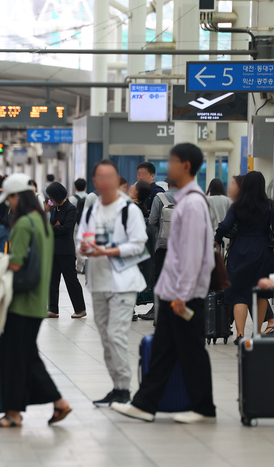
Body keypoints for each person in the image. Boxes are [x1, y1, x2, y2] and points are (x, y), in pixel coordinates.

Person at [112, 143, 217, 425]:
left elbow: (192, 254)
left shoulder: (193, 203)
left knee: (190, 350)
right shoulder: (187, 199)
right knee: (163, 351)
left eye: (171, 162)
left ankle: (203, 407)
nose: (167, 167)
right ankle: (146, 404)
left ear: (185, 166)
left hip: (183, 294)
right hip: (174, 291)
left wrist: (181, 294)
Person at [0, 173, 72, 428]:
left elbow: (14, 264)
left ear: (17, 197)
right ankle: (58, 403)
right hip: (36, 301)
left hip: (20, 302)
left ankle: (13, 414)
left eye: (9, 198)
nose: (8, 204)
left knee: (12, 358)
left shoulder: (23, 224)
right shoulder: (42, 222)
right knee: (27, 355)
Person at [77, 159, 148, 407]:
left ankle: (125, 389)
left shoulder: (129, 210)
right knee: (106, 338)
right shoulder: (90, 210)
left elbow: (139, 243)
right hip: (98, 283)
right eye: (101, 178)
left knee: (116, 335)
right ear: (95, 182)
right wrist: (85, 249)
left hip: (124, 283)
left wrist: (107, 251)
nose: (106, 182)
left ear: (117, 181)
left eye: (111, 177)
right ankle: (117, 386)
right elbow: (82, 241)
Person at [214, 171, 274, 343]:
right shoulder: (269, 205)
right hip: (262, 251)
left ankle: (239, 335)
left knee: (239, 293)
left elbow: (225, 226)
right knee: (261, 294)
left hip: (240, 250)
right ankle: (257, 333)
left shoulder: (238, 205)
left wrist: (216, 238)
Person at [139, 178, 178, 321]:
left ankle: (157, 310)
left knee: (159, 278)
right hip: (183, 248)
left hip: (163, 245)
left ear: (168, 184)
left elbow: (153, 221)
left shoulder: (160, 197)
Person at [46, 182, 86, 319]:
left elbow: (66, 228)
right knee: (52, 280)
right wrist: (55, 227)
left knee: (71, 280)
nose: (50, 200)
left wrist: (52, 228)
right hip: (53, 249)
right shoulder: (54, 208)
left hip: (66, 251)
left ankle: (80, 309)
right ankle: (52, 309)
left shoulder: (70, 209)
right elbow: (55, 226)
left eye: (51, 197)